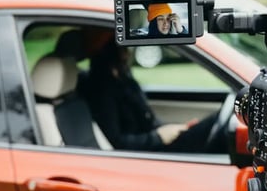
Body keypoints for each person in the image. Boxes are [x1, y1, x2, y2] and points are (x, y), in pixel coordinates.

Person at [84, 38, 226, 153]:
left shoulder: (123, 77)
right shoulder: (101, 89)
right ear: (109, 49)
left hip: (154, 145)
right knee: (216, 128)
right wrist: (158, 137)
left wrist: (172, 128)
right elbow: (117, 142)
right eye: (123, 47)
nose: (128, 53)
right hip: (147, 154)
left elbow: (146, 119)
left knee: (213, 124)